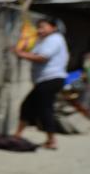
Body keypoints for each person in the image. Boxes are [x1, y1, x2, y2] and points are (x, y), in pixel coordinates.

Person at [11, 17, 69, 149]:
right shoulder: (44, 41)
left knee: (44, 109)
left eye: (43, 26)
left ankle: (51, 141)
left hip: (51, 79)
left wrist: (20, 54)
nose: (39, 30)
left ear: (53, 28)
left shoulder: (55, 39)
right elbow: (35, 53)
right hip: (46, 80)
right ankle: (18, 135)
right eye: (39, 27)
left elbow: (42, 57)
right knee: (29, 106)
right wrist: (24, 50)